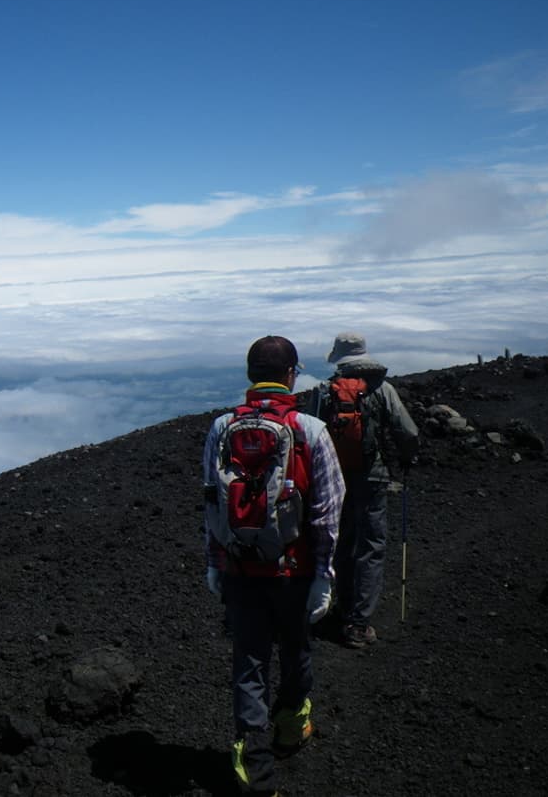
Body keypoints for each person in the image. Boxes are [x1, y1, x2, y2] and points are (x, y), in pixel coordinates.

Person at [203, 336, 346, 796]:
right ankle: (289, 727)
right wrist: (324, 576)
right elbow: (327, 512)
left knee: (249, 663)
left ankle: (255, 771)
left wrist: (215, 562)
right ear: (291, 375)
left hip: (239, 569)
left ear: (250, 375)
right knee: (296, 650)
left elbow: (212, 501)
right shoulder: (309, 429)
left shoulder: (221, 427)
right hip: (294, 571)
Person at [308, 332, 419, 649]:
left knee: (341, 542)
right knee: (371, 545)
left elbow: (310, 434)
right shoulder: (382, 389)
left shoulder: (325, 391)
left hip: (334, 480)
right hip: (373, 477)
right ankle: (358, 623)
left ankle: (341, 607)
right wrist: (407, 458)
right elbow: (407, 432)